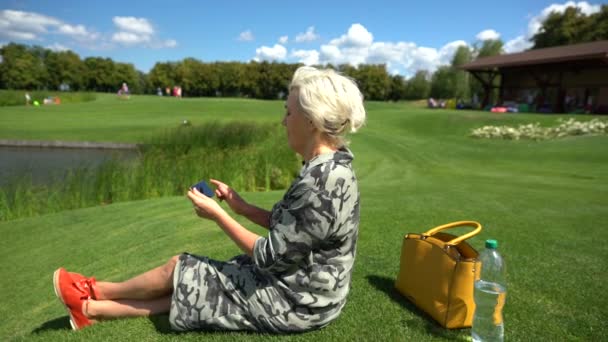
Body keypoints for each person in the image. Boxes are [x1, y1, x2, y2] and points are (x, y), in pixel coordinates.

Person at [53, 66, 366, 333]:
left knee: (180, 268)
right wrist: (241, 207)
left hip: (298, 302)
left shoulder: (321, 182)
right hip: (307, 288)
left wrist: (218, 215)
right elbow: (293, 230)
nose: (284, 121)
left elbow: (270, 255)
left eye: (289, 112)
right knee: (197, 283)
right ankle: (92, 310)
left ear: (311, 121)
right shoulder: (332, 165)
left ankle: (92, 290)